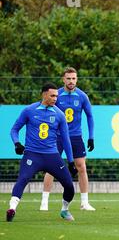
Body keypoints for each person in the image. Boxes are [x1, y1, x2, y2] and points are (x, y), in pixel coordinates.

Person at [7, 82, 78, 222]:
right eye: (52, 95)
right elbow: (14, 130)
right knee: (23, 179)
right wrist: (17, 144)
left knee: (69, 185)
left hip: (52, 156)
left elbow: (66, 140)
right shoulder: (29, 110)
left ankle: (64, 210)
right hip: (32, 154)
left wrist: (71, 162)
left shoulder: (59, 115)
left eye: (56, 96)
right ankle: (12, 208)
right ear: (44, 94)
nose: (55, 98)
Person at [41, 67, 95, 211]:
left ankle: (84, 202)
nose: (71, 81)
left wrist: (91, 137)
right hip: (58, 137)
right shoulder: (56, 95)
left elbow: (90, 116)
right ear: (63, 79)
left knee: (81, 167)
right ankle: (44, 202)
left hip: (76, 136)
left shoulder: (82, 96)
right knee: (51, 168)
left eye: (74, 78)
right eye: (68, 78)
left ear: (76, 79)